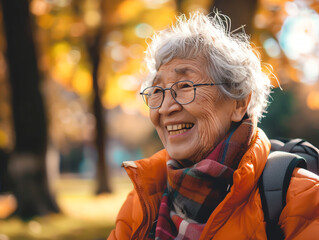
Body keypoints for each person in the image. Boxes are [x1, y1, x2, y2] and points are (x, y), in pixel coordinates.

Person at [108, 12, 319, 240]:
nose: (165, 108)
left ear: (239, 103)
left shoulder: (301, 199)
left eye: (185, 85)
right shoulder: (140, 202)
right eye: (158, 91)